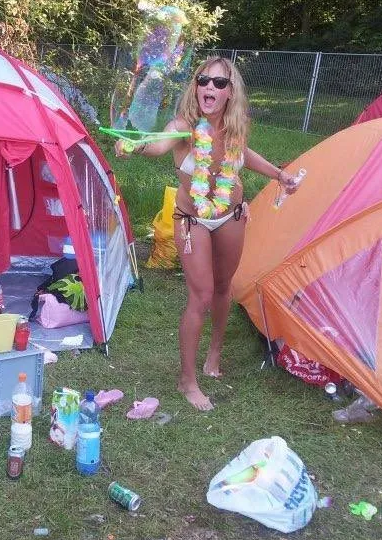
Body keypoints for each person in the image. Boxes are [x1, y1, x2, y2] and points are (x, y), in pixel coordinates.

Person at [114, 56, 301, 410]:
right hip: (193, 219)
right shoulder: (183, 126)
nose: (209, 87)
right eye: (203, 80)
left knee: (223, 286)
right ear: (196, 86)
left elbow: (244, 155)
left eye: (218, 82)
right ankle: (187, 380)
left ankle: (214, 352)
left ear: (230, 92)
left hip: (231, 214)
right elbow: (158, 144)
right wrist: (135, 145)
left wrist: (279, 175)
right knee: (200, 296)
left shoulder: (235, 127)